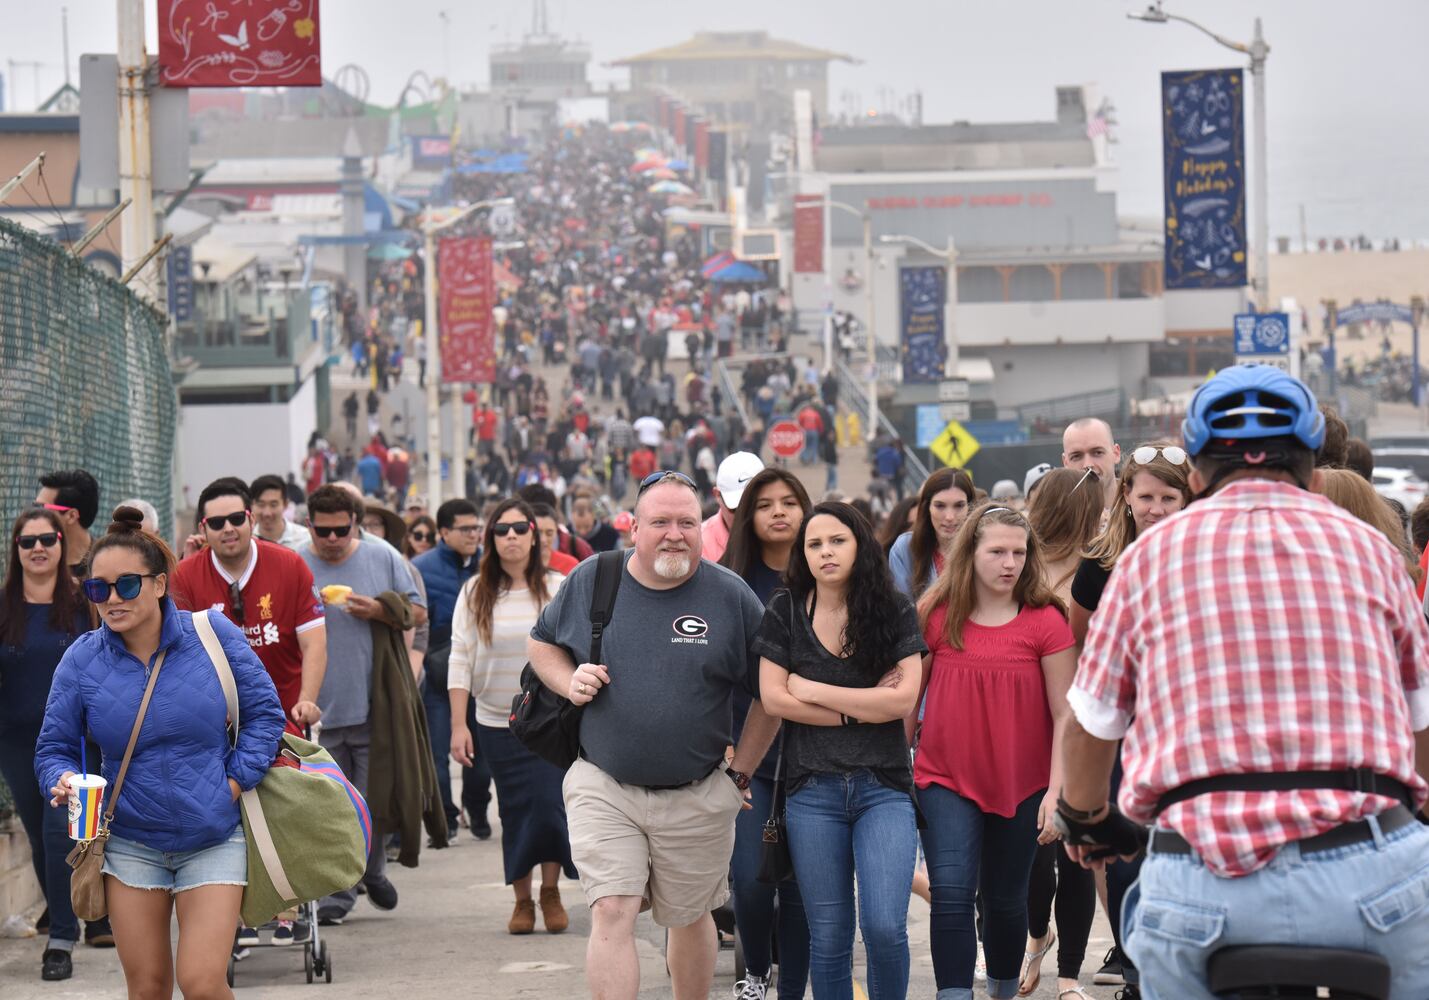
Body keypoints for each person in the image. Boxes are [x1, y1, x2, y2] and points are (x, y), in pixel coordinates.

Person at [1058, 365, 1429, 999]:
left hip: (1200, 882)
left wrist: (1087, 820)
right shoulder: (1371, 550)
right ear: (1313, 470)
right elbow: (1420, 718)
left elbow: (1092, 725)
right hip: (1369, 883)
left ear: (1196, 476)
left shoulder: (1147, 558)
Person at [526, 472, 781, 1000]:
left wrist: (741, 774)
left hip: (697, 791)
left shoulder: (729, 596)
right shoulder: (594, 578)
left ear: (703, 526)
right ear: (634, 527)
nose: (674, 534)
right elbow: (542, 644)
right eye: (660, 522)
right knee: (613, 910)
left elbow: (771, 694)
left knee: (689, 917)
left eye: (687, 522)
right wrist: (567, 680)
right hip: (605, 785)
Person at [34, 507, 285, 1000]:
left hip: (213, 835)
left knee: (201, 981)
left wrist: (231, 783)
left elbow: (265, 717)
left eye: (126, 585)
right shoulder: (81, 658)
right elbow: (54, 747)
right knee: (147, 987)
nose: (111, 599)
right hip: (129, 842)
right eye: (97, 588)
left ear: (159, 585)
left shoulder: (212, 636)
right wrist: (61, 779)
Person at [754, 501, 926, 999]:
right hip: (811, 791)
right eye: (814, 544)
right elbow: (773, 698)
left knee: (884, 927)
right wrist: (861, 707)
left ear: (860, 545)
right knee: (828, 937)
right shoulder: (785, 610)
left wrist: (814, 690)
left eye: (837, 541)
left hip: (884, 789)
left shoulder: (892, 608)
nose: (825, 552)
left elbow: (901, 700)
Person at [914, 504, 1078, 1000]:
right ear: (970, 553)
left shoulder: (1047, 619)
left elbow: (1065, 714)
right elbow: (905, 701)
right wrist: (893, 775)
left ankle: (1003, 991)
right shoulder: (936, 616)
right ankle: (954, 993)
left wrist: (1056, 790)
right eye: (997, 552)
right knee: (951, 896)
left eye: (1019, 553)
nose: (1010, 563)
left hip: (1023, 783)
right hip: (945, 778)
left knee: (1006, 902)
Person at [1064, 442, 1191, 993]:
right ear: (1127, 496)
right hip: (1123, 728)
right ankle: (1137, 970)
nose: (1156, 507)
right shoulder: (1100, 563)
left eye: (1169, 496)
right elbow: (1082, 640)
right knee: (1123, 859)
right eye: (1147, 496)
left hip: (1186, 727)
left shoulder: (1203, 557)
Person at [449, 498, 575, 935]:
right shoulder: (474, 592)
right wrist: (458, 724)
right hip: (494, 721)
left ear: (535, 534)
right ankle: (522, 899)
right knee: (515, 810)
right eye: (501, 530)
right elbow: (459, 659)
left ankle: (551, 890)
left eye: (520, 528)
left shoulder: (558, 586)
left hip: (548, 721)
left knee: (549, 805)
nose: (512, 537)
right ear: (490, 538)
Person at [299, 485, 423, 923]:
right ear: (309, 525)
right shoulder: (294, 560)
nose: (331, 539)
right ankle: (342, 891)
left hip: (374, 705)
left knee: (371, 802)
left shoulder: (382, 555)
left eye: (341, 530)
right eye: (322, 531)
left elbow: (418, 611)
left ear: (354, 523)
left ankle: (370, 871)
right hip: (315, 712)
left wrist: (380, 610)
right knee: (332, 809)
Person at [719, 469, 814, 1000]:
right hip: (746, 757)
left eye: (789, 502)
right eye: (765, 505)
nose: (779, 512)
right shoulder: (727, 584)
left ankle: (791, 991)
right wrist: (726, 748)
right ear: (747, 517)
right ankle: (755, 974)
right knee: (753, 885)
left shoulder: (829, 576)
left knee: (800, 891)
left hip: (817, 755)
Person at [1016, 468, 1105, 999]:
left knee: (1074, 849)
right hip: (1025, 720)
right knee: (1031, 852)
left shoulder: (1098, 566)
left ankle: (1069, 976)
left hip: (1082, 719)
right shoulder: (1018, 562)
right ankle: (1034, 937)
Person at [0, 509, 100, 980]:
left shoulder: (85, 603)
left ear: (62, 545)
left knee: (63, 830)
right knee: (40, 837)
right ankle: (67, 921)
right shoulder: (4, 608)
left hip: (74, 740)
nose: (38, 548)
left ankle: (61, 937)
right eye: (27, 541)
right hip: (17, 739)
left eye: (47, 539)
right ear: (16, 550)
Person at [411, 499, 489, 841]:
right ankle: (445, 820)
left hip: (480, 677)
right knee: (437, 754)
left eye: (477, 527)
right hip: (436, 677)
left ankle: (478, 807)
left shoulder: (490, 564)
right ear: (443, 532)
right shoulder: (419, 569)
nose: (474, 534)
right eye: (465, 528)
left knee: (481, 753)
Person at [887, 469, 974, 601]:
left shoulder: (984, 547)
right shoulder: (905, 548)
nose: (949, 517)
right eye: (940, 506)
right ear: (927, 508)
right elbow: (904, 613)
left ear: (970, 506)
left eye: (959, 506)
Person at [36, 468, 101, 575]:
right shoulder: (32, 558)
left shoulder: (105, 563)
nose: (33, 514)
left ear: (71, 516)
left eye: (41, 507)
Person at [703, 452, 765, 563]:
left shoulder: (787, 535)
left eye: (757, 506)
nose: (746, 515)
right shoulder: (698, 544)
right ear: (717, 495)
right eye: (736, 508)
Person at [1061, 419, 1120, 510]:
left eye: (1097, 453)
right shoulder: (1056, 518)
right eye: (1076, 456)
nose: (1088, 464)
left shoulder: (1144, 505)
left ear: (1116, 453)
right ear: (1065, 463)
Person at [248, 475, 310, 549]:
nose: (267, 513)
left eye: (273, 505)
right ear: (251, 505)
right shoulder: (247, 542)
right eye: (261, 505)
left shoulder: (305, 539)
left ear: (285, 504)